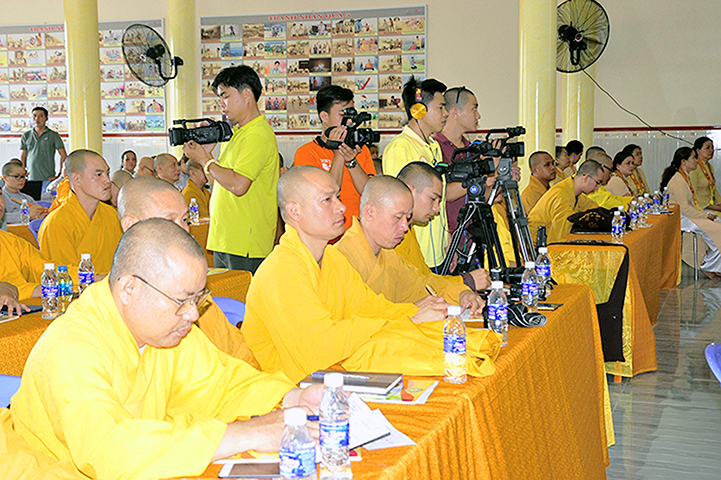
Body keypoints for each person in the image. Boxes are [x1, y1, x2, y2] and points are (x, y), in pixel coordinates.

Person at [6, 218, 321, 479]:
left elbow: (220, 383)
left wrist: (291, 397)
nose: (193, 314)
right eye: (181, 300)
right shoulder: (72, 348)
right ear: (129, 288)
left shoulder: (166, 332)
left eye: (197, 298)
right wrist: (253, 433)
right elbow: (111, 450)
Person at [241, 166, 501, 383]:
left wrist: (414, 314)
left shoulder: (332, 260)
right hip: (289, 392)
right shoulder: (281, 271)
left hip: (333, 372)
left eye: (338, 197)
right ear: (294, 211)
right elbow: (319, 347)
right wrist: (407, 319)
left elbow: (372, 308)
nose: (342, 207)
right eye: (327, 200)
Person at [118, 176, 258, 366]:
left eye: (184, 220)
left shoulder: (195, 296)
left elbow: (238, 356)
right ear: (131, 225)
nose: (182, 230)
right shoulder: (116, 306)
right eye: (169, 220)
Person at [335, 175, 484, 311]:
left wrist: (461, 293)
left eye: (407, 218)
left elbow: (421, 284)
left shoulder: (388, 255)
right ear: (370, 212)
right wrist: (412, 311)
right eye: (398, 217)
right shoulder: (341, 259)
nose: (405, 227)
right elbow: (358, 318)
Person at [183, 66, 279, 274]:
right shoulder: (237, 133)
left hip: (245, 242)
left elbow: (239, 185)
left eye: (225, 96)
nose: (222, 104)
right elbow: (219, 183)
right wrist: (206, 156)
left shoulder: (257, 135)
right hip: (226, 238)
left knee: (243, 295)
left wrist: (205, 160)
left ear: (247, 95)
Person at [382, 76, 449, 270]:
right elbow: (398, 205)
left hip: (436, 251)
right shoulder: (400, 148)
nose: (445, 113)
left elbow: (440, 200)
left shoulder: (434, 146)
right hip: (414, 254)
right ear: (419, 110)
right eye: (440, 107)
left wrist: (446, 237)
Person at [395, 161, 491, 290]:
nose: (437, 209)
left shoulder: (409, 231)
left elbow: (425, 277)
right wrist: (466, 281)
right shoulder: (392, 233)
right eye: (433, 199)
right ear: (411, 191)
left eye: (439, 201)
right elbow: (414, 287)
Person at [293, 85, 375, 232]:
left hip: (359, 232)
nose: (349, 121)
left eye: (352, 114)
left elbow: (370, 194)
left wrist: (351, 162)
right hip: (326, 235)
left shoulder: (360, 150)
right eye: (343, 114)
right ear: (324, 116)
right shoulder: (306, 153)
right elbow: (326, 196)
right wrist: (338, 155)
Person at [38, 150, 123, 275]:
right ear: (76, 179)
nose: (107, 181)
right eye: (99, 174)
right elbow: (62, 275)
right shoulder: (56, 223)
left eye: (107, 173)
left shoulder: (112, 215)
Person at [661, 146, 721, 279]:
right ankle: (708, 266)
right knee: (718, 230)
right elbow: (684, 208)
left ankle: (713, 266)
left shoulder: (684, 177)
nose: (696, 160)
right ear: (684, 161)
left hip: (688, 215)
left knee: (716, 229)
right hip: (681, 218)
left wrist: (704, 215)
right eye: (694, 157)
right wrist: (705, 215)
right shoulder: (678, 180)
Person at [527, 160, 602, 244]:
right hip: (536, 244)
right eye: (597, 183)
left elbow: (595, 211)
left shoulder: (576, 195)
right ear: (586, 178)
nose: (597, 188)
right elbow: (561, 230)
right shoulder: (561, 194)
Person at [20, 106, 67, 181]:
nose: (37, 119)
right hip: (30, 178)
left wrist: (60, 175)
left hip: (48, 178)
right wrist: (22, 174)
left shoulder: (53, 135)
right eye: (34, 116)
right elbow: (23, 156)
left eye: (41, 116)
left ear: (46, 118)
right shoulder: (26, 135)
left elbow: (63, 155)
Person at [689, 136, 721, 213]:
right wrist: (715, 207)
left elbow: (713, 188)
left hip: (711, 206)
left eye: (712, 148)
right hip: (700, 207)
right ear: (698, 151)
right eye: (707, 148)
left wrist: (719, 203)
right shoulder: (694, 168)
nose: (711, 150)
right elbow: (692, 193)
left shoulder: (709, 166)